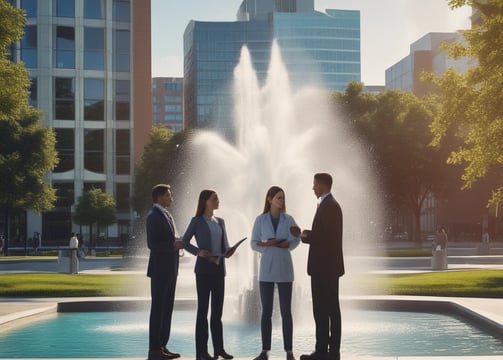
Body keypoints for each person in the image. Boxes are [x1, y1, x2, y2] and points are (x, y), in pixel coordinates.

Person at [182, 190, 236, 360]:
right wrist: (198, 252)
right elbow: (184, 242)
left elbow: (225, 246)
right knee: (203, 311)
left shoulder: (220, 221)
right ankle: (201, 352)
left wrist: (229, 251)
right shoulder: (196, 221)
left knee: (217, 312)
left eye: (217, 198)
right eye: (214, 199)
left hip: (219, 269)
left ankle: (219, 349)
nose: (217, 201)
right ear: (205, 201)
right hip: (204, 270)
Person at [251, 186, 300, 360]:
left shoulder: (289, 219)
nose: (282, 200)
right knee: (266, 313)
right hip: (266, 271)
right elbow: (253, 243)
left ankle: (289, 351)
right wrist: (265, 245)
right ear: (269, 199)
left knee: (286, 312)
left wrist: (287, 244)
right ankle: (265, 351)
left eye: (283, 198)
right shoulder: (260, 220)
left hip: (285, 270)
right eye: (279, 197)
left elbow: (296, 240)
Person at [299, 173, 344, 360]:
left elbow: (327, 238)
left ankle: (325, 351)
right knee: (328, 309)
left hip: (324, 268)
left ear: (323, 186)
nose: (313, 188)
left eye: (315, 185)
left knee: (325, 309)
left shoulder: (330, 207)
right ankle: (327, 351)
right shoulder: (328, 205)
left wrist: (305, 235)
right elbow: (325, 235)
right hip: (326, 268)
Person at [146, 184, 184, 360]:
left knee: (167, 309)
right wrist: (172, 245)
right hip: (161, 270)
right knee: (158, 309)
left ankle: (162, 345)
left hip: (170, 269)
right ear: (160, 197)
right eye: (168, 194)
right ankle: (154, 349)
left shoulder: (165, 215)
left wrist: (176, 244)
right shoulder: (153, 216)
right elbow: (152, 244)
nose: (171, 197)